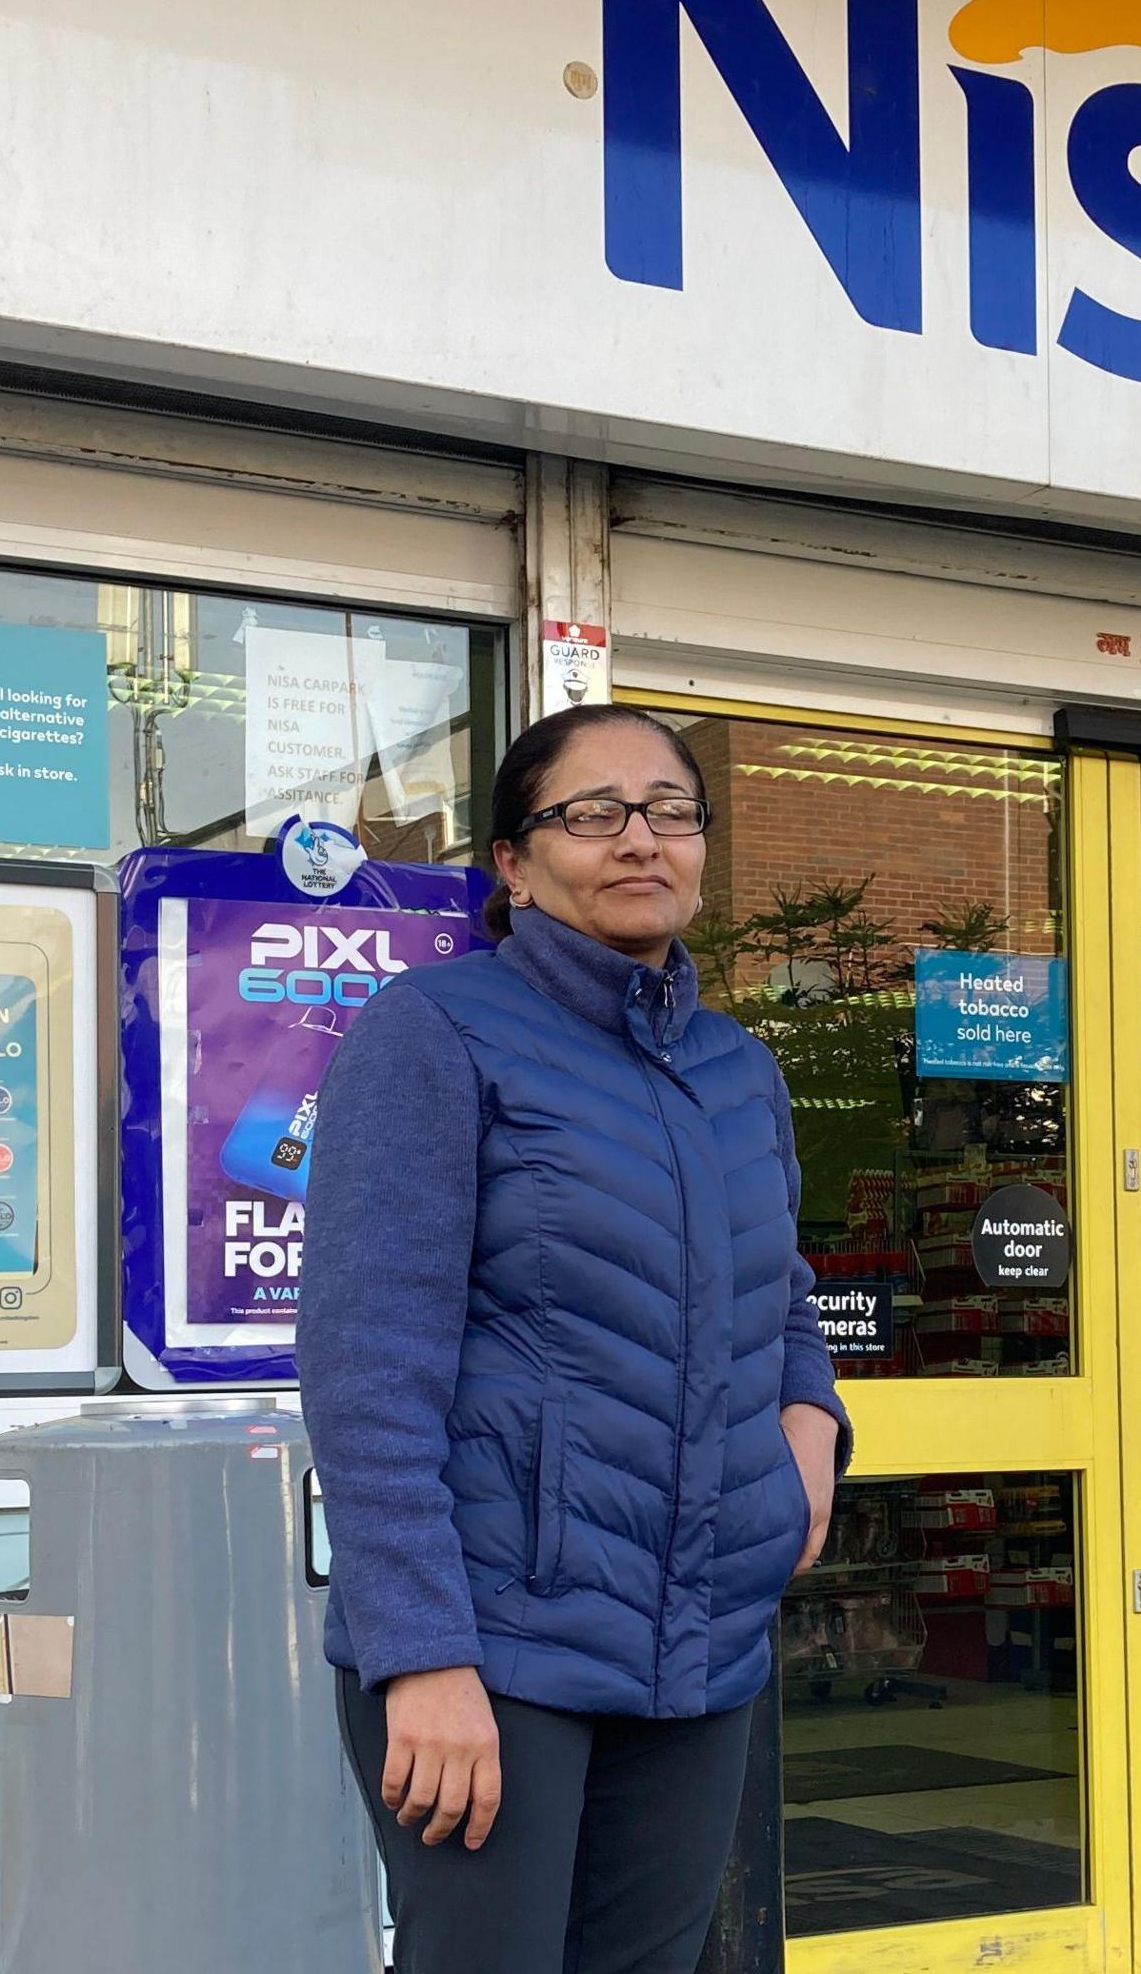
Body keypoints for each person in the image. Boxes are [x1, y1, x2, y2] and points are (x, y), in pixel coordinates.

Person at [298, 703, 847, 1974]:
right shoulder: (434, 1035)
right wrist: (420, 1655)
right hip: (500, 1640)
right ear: (512, 862)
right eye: (590, 813)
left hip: (701, 1633)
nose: (637, 838)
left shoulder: (737, 1070)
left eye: (669, 809)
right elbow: (368, 1364)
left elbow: (776, 1282)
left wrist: (811, 1419)